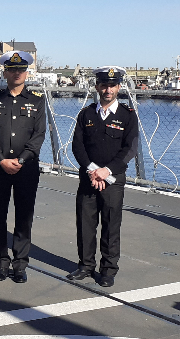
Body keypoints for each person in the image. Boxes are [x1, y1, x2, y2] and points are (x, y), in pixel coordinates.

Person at [68, 66, 139, 288]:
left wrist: (105, 171)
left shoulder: (127, 116)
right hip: (88, 178)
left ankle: (108, 269)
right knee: (85, 224)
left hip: (112, 180)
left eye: (112, 85)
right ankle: (85, 266)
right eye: (104, 85)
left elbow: (130, 149)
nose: (108, 89)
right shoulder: (86, 114)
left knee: (110, 225)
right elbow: (77, 146)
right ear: (97, 86)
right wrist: (92, 169)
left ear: (118, 87)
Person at [0, 51, 46, 284]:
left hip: (25, 169)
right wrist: (0, 159)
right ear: (5, 73)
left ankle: (20, 264)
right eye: (12, 70)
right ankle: (1, 261)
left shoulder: (37, 101)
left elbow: (39, 135)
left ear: (26, 73)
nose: (17, 73)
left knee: (23, 217)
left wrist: (20, 160)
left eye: (21, 70)